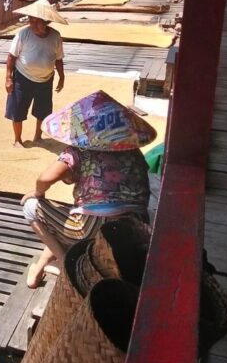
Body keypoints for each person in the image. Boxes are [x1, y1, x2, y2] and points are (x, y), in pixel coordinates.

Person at [20, 91, 156, 287]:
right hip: (136, 224)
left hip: (95, 224)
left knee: (31, 207)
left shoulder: (78, 151)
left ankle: (67, 266)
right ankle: (41, 266)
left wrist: (38, 193)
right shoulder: (132, 151)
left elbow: (45, 178)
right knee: (65, 217)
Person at [5, 0, 67, 147]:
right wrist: (8, 78)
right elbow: (11, 57)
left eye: (37, 21)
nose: (33, 24)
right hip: (22, 77)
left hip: (45, 80)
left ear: (46, 22)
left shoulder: (55, 37)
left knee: (43, 111)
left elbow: (58, 59)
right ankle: (17, 139)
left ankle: (38, 136)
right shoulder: (23, 34)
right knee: (18, 110)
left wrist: (61, 77)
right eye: (31, 20)